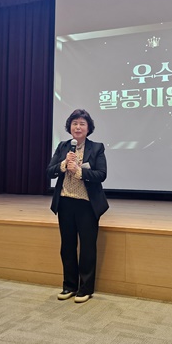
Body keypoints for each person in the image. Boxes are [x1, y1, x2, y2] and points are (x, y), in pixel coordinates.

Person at [47, 109, 109, 303]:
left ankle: (85, 288)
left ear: (88, 128)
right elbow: (49, 171)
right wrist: (64, 164)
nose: (78, 127)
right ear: (69, 127)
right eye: (75, 123)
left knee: (87, 247)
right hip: (65, 202)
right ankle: (69, 286)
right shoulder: (63, 146)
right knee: (67, 246)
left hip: (87, 204)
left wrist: (79, 171)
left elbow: (101, 175)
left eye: (82, 124)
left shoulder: (96, 148)